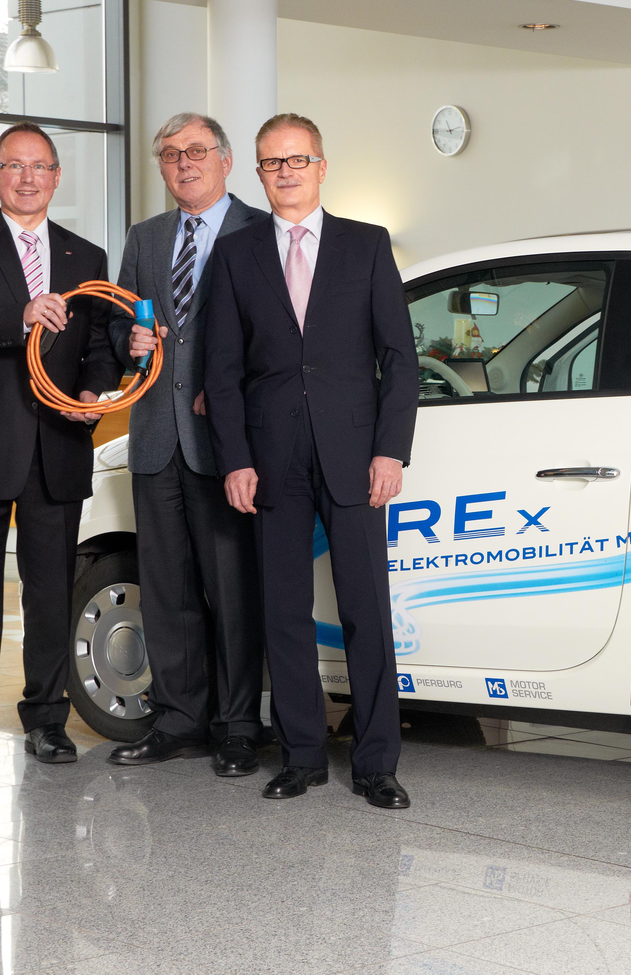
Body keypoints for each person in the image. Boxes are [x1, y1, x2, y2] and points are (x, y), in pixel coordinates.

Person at [205, 113, 419, 808]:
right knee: (284, 610)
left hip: (354, 453)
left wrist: (390, 449)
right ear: (258, 174)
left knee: (366, 608)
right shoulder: (235, 255)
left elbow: (400, 358)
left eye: (298, 159)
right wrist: (235, 459)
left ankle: (377, 762)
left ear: (322, 167)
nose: (287, 172)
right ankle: (301, 755)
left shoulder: (367, 245)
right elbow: (222, 370)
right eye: (273, 162)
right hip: (270, 456)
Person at [0, 122, 122, 776]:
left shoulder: (86, 256)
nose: (27, 177)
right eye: (14, 165)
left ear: (56, 177)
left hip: (58, 444)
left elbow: (99, 345)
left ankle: (47, 720)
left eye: (39, 166)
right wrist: (21, 317)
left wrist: (91, 391)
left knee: (51, 592)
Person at [106, 113, 269, 774]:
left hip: (224, 445)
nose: (184, 162)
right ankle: (178, 720)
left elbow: (276, 338)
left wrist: (231, 396)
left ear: (225, 160)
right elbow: (118, 326)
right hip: (154, 437)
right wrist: (129, 341)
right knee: (166, 590)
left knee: (232, 591)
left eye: (196, 150)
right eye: (171, 153)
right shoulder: (145, 238)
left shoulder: (260, 231)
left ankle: (237, 725)